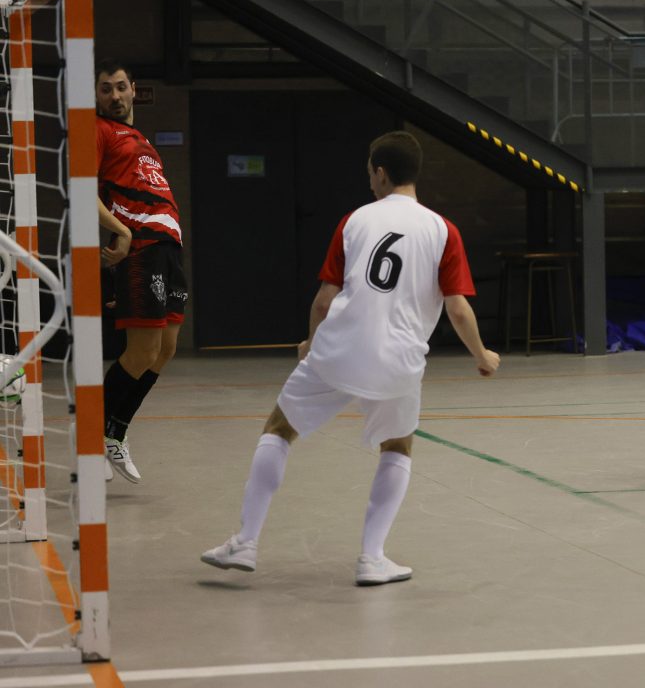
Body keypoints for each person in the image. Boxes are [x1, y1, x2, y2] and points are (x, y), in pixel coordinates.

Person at [201, 131, 500, 586]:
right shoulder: (443, 230)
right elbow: (458, 309)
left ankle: (245, 541)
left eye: (369, 174)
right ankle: (372, 558)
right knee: (397, 447)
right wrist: (482, 355)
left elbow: (325, 300)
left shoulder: (354, 220)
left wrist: (310, 342)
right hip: (399, 361)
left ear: (380, 173)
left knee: (279, 429)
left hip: (339, 350)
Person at [95, 59, 187, 484]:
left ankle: (115, 432)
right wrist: (121, 232)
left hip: (169, 248)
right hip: (142, 247)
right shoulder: (99, 131)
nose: (114, 96)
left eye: (120, 87)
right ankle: (91, 436)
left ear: (134, 89)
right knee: (141, 352)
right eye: (105, 89)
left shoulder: (142, 139)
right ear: (97, 96)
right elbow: (82, 188)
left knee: (165, 349)